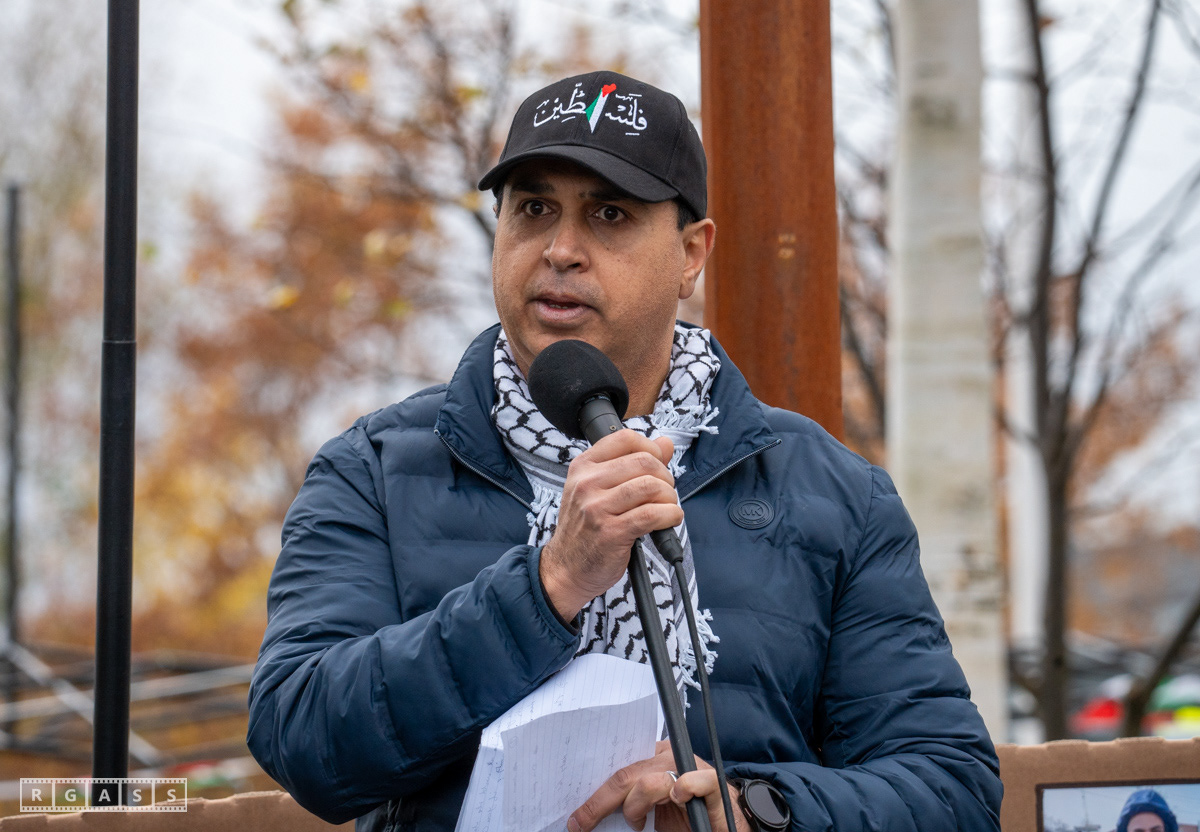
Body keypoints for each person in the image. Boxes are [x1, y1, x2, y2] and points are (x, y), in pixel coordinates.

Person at [248, 70, 1002, 832]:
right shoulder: (375, 468)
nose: (561, 250)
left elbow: (952, 789)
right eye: (534, 209)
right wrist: (549, 584)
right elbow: (300, 737)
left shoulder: (833, 493)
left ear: (691, 255)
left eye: (609, 214)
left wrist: (756, 812)